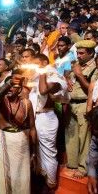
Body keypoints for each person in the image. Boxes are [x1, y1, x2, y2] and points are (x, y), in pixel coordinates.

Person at [0, 72, 37, 194]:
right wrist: (10, 82)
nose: (10, 88)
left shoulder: (27, 103)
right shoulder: (2, 101)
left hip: (22, 142)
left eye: (13, 86)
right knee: (4, 175)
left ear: (20, 89)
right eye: (8, 85)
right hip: (5, 139)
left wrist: (34, 152)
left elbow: (32, 128)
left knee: (22, 174)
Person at [29, 54, 68, 188]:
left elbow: (44, 90)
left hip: (46, 118)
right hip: (34, 118)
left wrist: (43, 72)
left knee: (48, 152)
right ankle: (41, 180)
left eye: (37, 63)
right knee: (36, 150)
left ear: (45, 62)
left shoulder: (56, 78)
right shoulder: (35, 77)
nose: (34, 66)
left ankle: (51, 184)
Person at [66, 40, 98, 179]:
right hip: (71, 103)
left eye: (81, 53)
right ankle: (72, 163)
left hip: (84, 103)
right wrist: (69, 79)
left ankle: (83, 167)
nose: (78, 56)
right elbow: (70, 78)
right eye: (77, 53)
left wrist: (79, 75)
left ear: (91, 53)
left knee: (84, 137)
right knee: (71, 135)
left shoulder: (96, 67)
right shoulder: (77, 65)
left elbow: (93, 89)